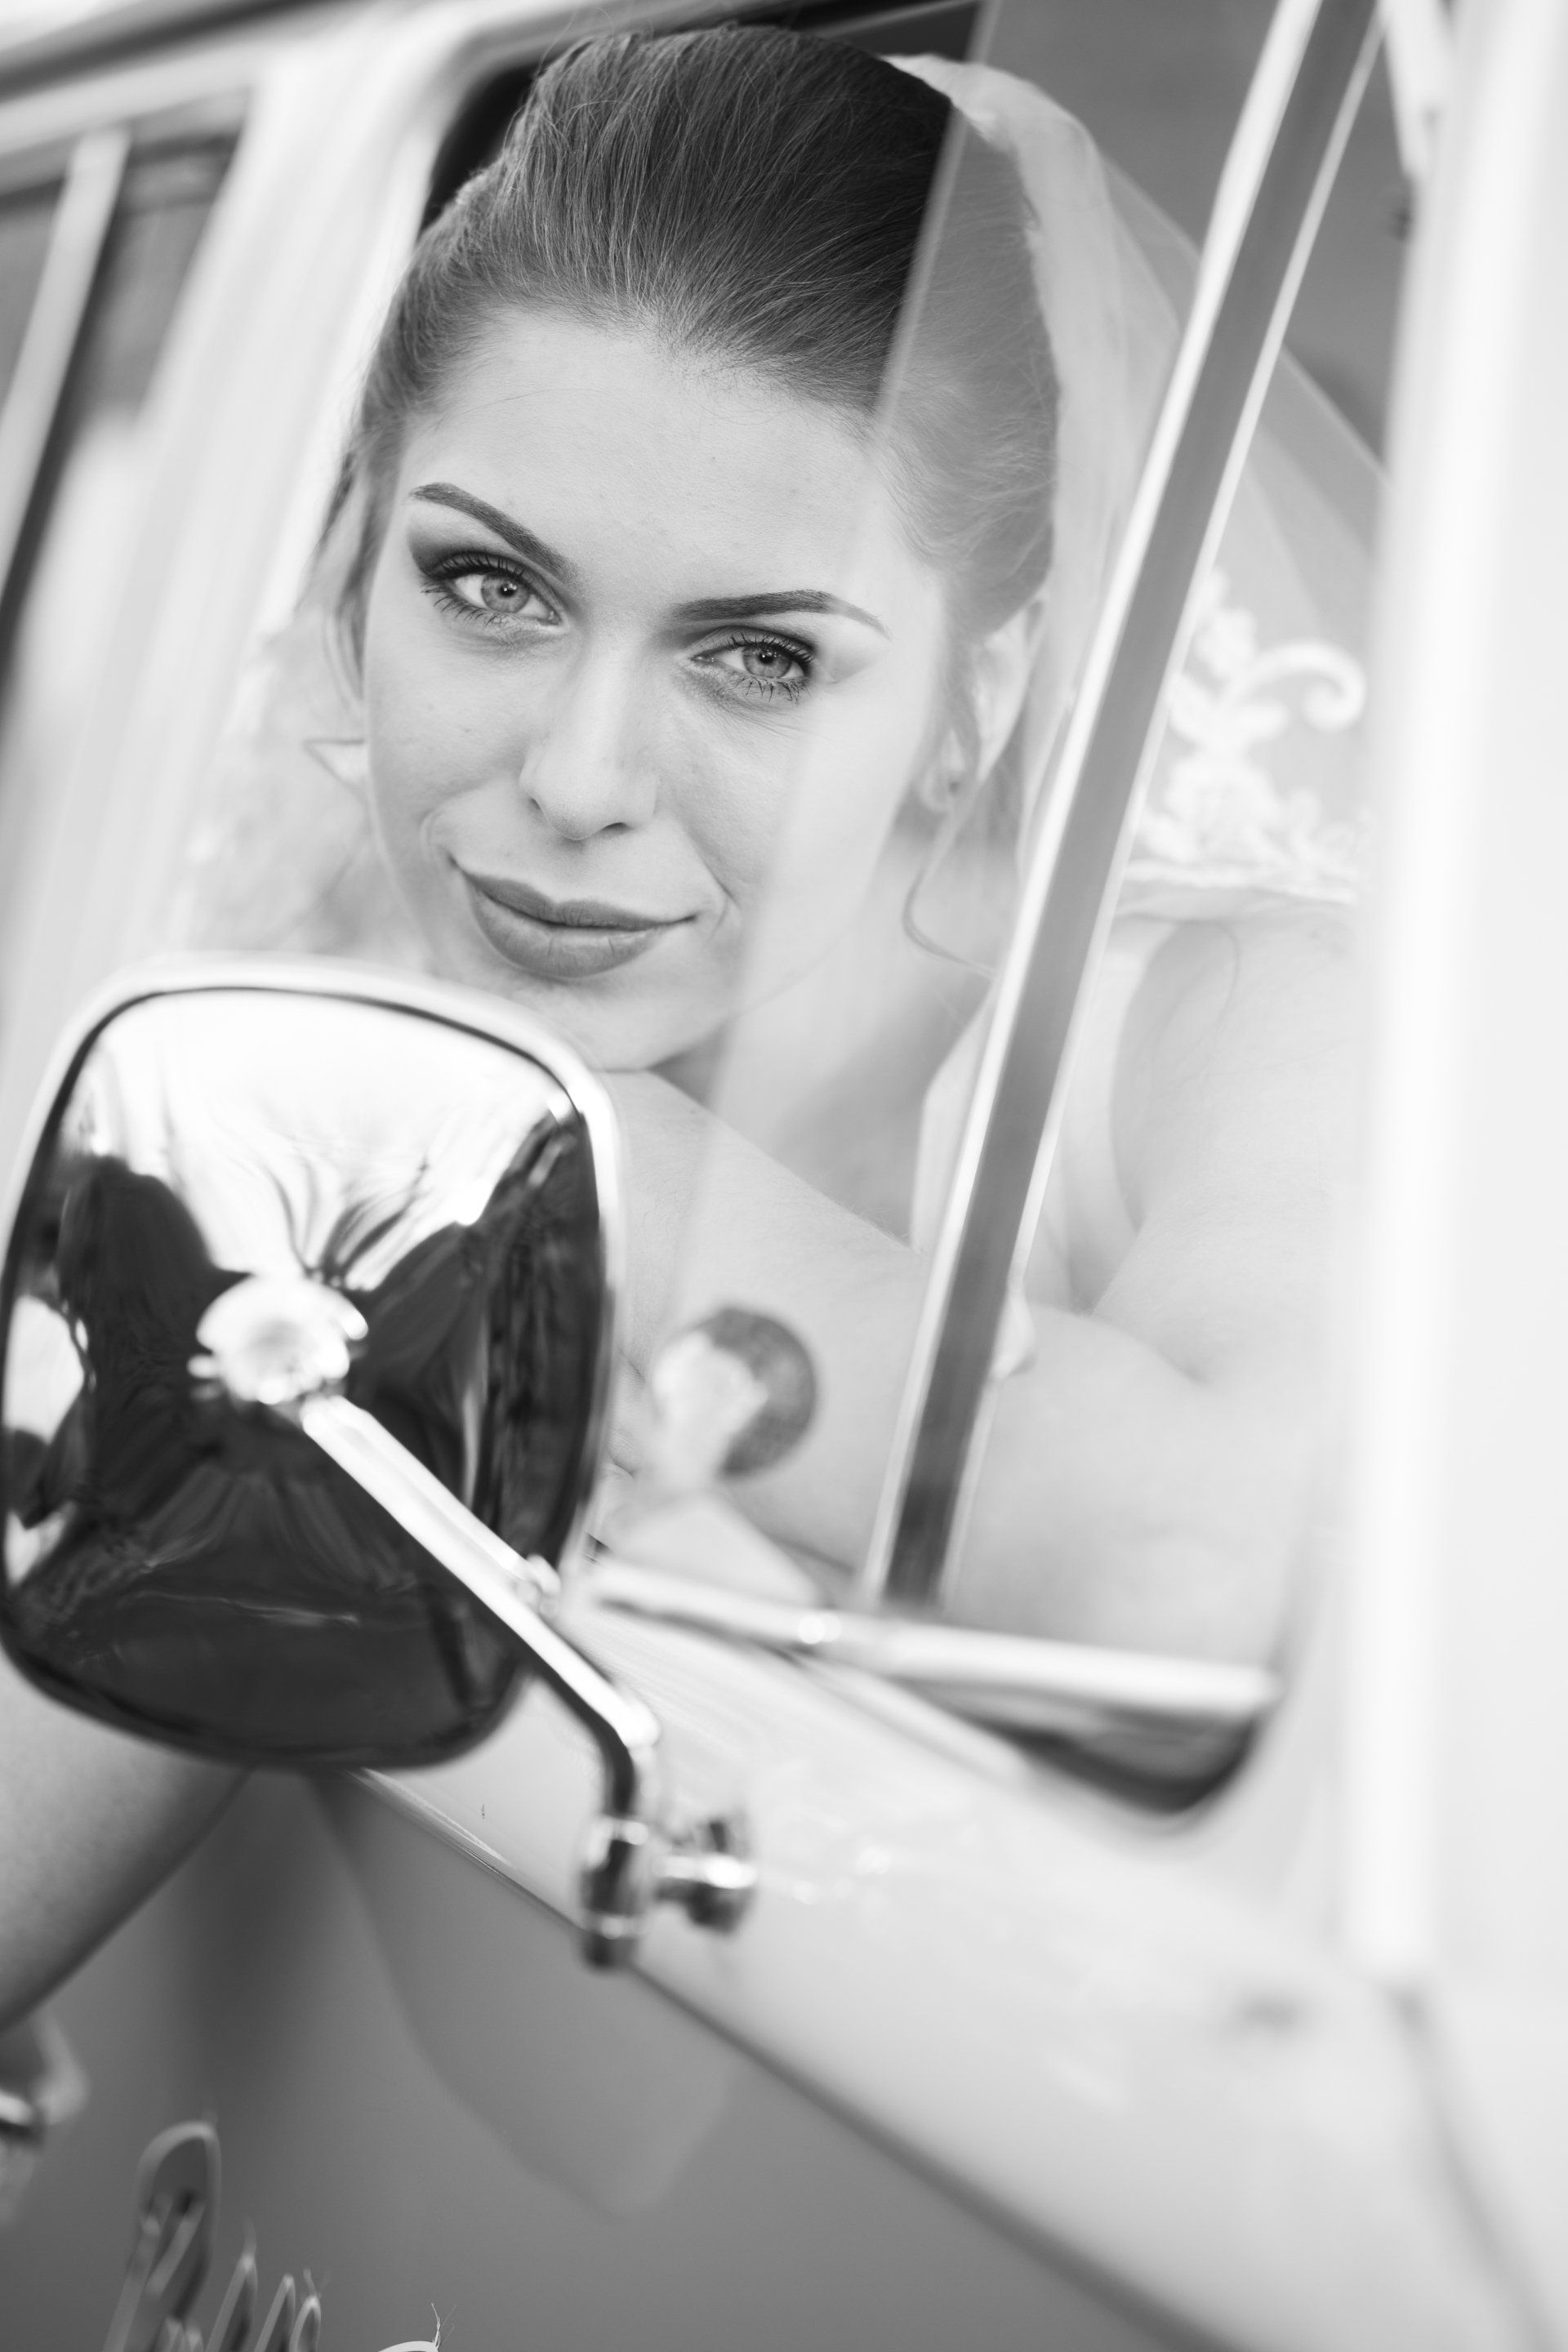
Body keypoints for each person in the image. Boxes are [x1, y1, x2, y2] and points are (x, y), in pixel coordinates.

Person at [1, 21, 1370, 2025]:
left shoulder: (1240, 1033)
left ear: (975, 703)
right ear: (356, 569)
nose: (579, 777)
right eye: (490, 586)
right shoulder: (298, 1139)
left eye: (760, 659)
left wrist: (556, 1148)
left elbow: (1192, 1582)